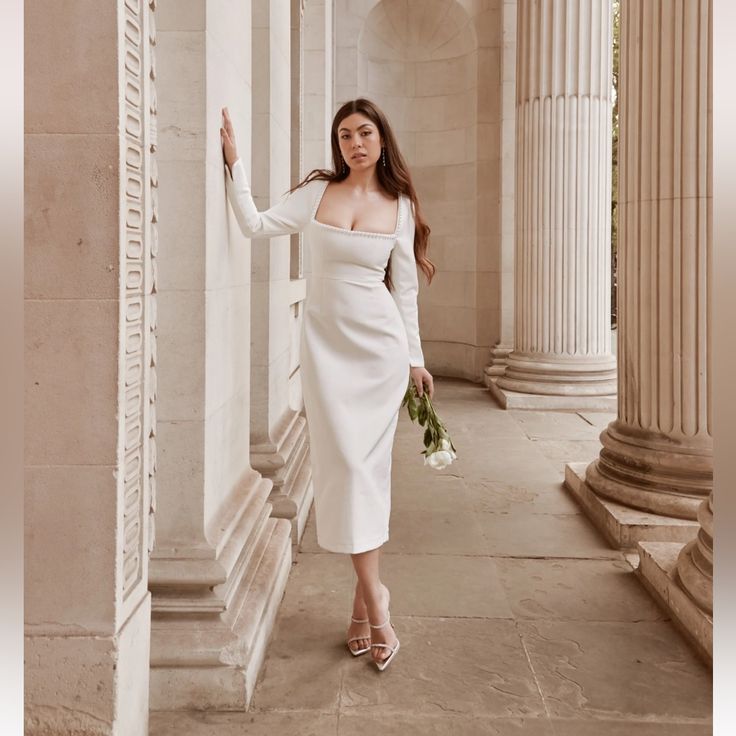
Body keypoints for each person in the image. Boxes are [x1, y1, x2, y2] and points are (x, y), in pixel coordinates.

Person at [220, 98, 435, 671]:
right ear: (336, 144)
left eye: (365, 133)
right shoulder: (316, 193)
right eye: (344, 135)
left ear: (382, 140)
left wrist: (415, 359)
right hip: (326, 352)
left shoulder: (401, 204)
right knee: (342, 470)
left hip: (379, 353)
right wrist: (234, 165)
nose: (355, 144)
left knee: (365, 474)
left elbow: (406, 290)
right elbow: (256, 224)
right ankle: (373, 598)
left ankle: (371, 606)